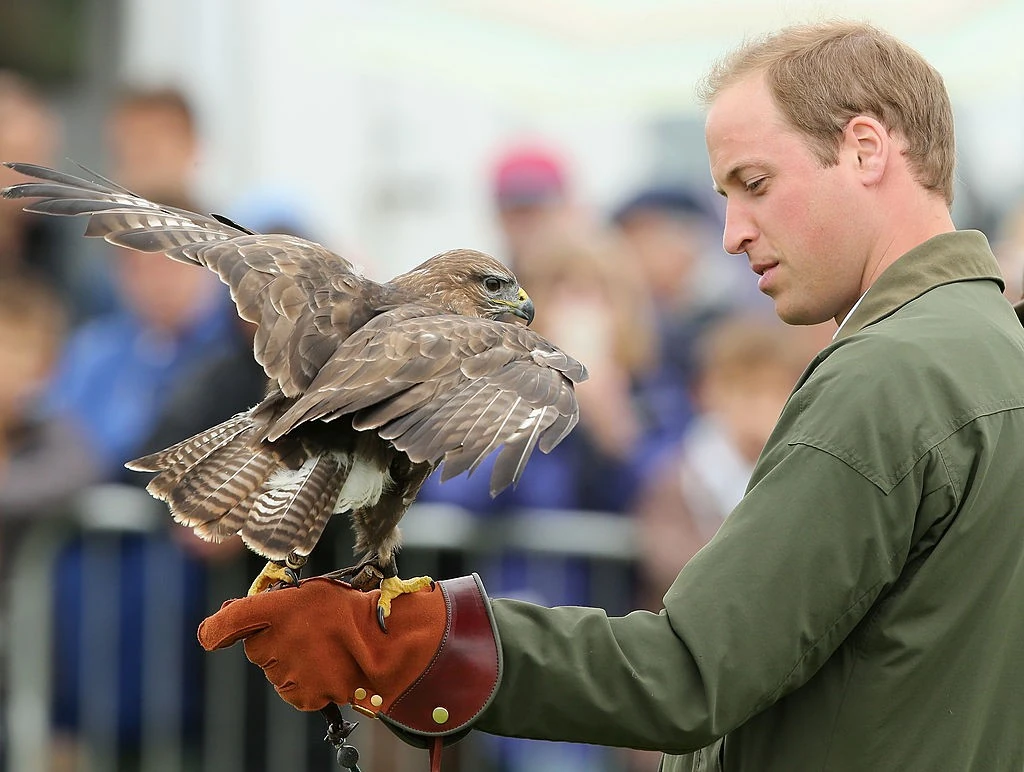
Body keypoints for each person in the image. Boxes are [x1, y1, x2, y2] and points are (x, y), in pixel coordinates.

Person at [197, 21, 1024, 771]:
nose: (732, 231)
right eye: (724, 196)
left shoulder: (890, 376)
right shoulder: (997, 353)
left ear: (867, 149)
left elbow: (692, 671)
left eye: (755, 182)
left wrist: (421, 645)